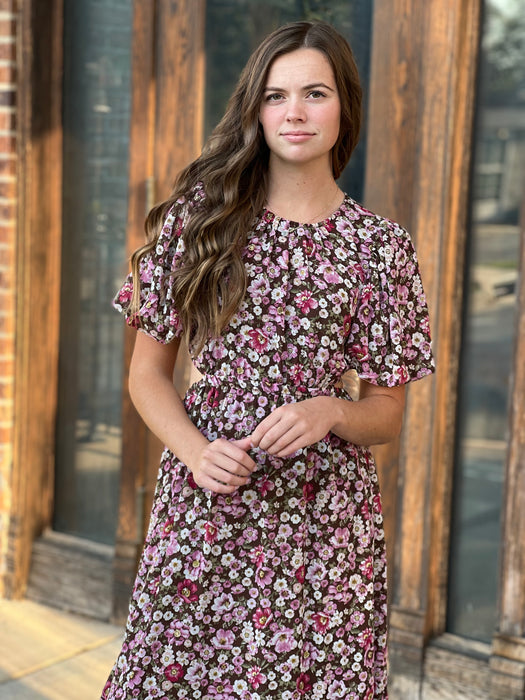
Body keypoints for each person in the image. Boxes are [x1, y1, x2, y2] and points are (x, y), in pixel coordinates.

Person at [102, 20, 434, 700]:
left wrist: (329, 410)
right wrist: (195, 452)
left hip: (325, 528)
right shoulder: (201, 221)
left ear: (344, 107)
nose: (294, 112)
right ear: (255, 108)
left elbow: (386, 414)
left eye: (314, 93)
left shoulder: (380, 248)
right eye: (276, 95)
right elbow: (145, 375)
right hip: (206, 509)